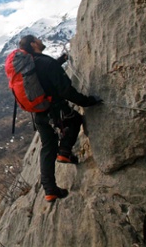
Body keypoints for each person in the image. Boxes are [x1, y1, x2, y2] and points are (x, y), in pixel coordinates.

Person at [17, 35, 102, 202]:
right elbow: (65, 90)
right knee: (75, 119)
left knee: (48, 147)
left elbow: (43, 75)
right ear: (34, 44)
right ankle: (64, 151)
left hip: (39, 114)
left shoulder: (29, 66)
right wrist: (88, 101)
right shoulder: (45, 62)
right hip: (56, 111)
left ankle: (50, 190)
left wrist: (59, 61)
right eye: (38, 39)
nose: (41, 41)